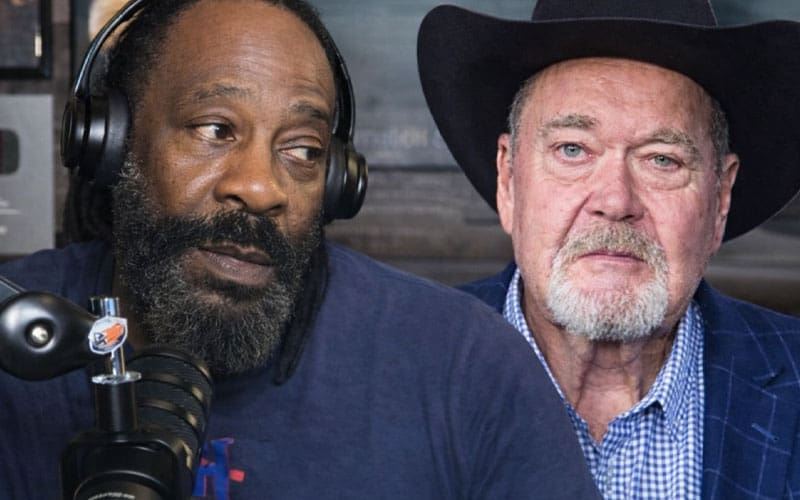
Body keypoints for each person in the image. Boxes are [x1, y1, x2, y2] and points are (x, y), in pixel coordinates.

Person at [0, 0, 602, 499]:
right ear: (112, 143)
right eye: (215, 130)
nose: (260, 188)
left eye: (303, 150)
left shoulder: (469, 368)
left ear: (337, 182)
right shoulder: (10, 341)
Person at [417, 0, 800, 498]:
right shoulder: (401, 372)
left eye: (662, 160)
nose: (616, 202)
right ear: (508, 179)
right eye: (572, 150)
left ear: (720, 198)